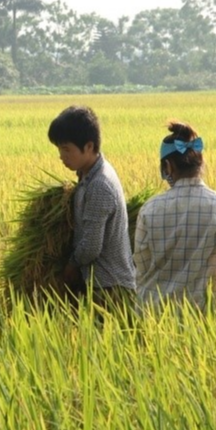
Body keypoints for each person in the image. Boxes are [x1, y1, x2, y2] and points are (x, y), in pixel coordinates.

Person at [133, 121, 216, 315]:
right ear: (201, 163)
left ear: (168, 167)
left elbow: (142, 267)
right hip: (202, 318)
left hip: (152, 317)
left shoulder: (149, 209)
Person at [48, 106, 136, 314]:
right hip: (103, 284)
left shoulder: (99, 185)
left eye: (66, 149)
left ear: (88, 146)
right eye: (59, 149)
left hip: (109, 289)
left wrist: (72, 265)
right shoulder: (89, 174)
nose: (62, 156)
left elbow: (92, 244)